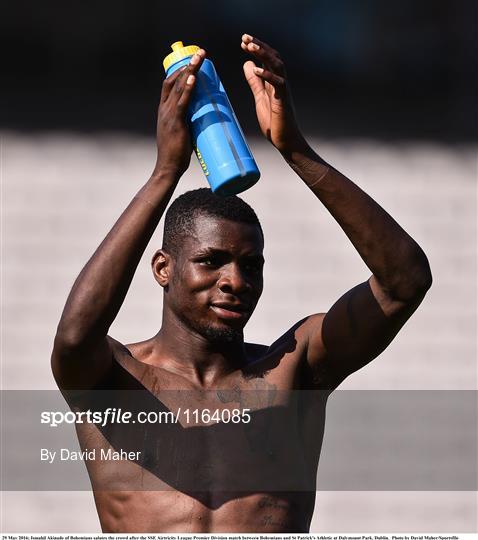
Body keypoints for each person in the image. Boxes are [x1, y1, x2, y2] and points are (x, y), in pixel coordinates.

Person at [51, 34, 432, 533]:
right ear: (163, 268)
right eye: (212, 261)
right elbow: (74, 337)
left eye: (251, 266)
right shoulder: (116, 379)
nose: (235, 280)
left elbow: (405, 282)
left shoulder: (294, 368)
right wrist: (165, 172)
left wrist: (295, 150)